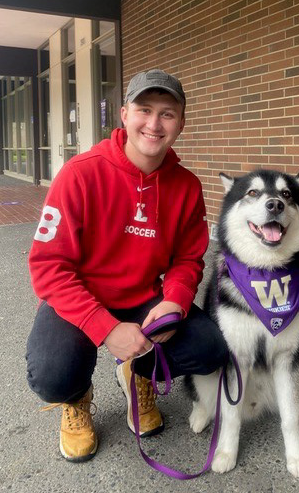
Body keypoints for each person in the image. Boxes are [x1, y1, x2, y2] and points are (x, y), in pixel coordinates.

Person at [26, 69, 228, 462]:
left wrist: (177, 300)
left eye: (167, 113)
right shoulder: (80, 173)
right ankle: (76, 398)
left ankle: (136, 374)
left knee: (210, 348)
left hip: (143, 298)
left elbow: (188, 259)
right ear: (124, 114)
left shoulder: (186, 186)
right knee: (53, 375)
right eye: (144, 109)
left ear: (181, 123)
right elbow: (49, 266)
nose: (154, 124)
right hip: (78, 299)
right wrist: (105, 328)